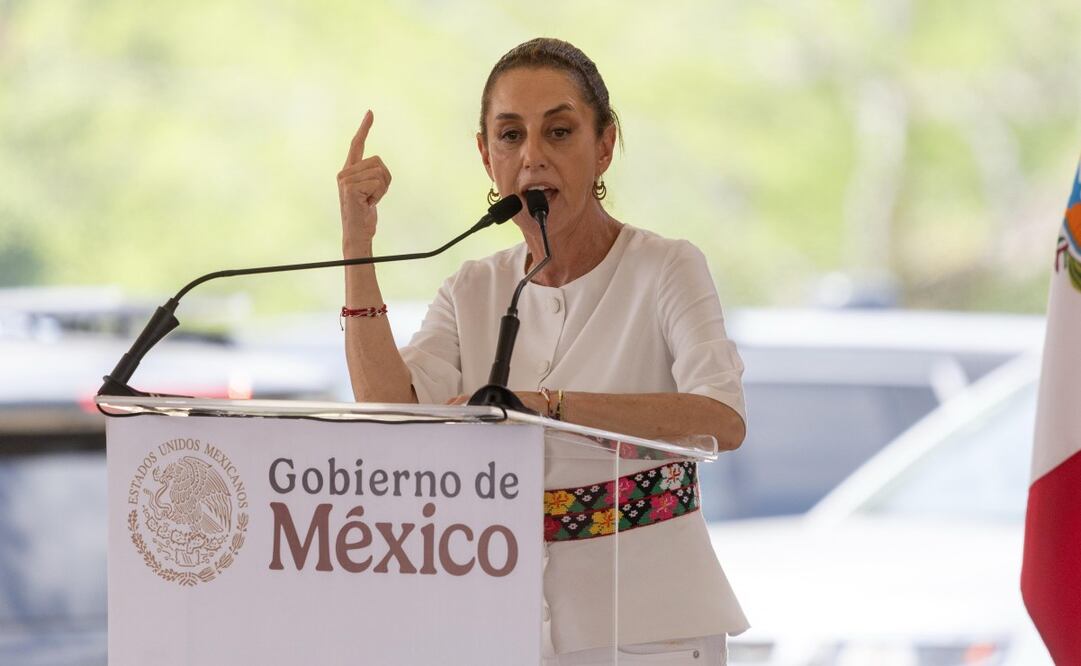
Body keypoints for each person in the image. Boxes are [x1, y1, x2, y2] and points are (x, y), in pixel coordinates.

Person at [338, 37, 749, 665]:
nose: (532, 156)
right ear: (486, 156)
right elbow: (389, 408)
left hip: (652, 622)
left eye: (559, 132)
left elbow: (721, 418)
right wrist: (356, 243)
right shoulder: (473, 287)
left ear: (604, 146)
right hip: (497, 618)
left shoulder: (667, 267)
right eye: (510, 136)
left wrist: (547, 408)